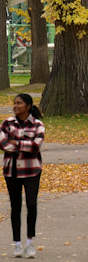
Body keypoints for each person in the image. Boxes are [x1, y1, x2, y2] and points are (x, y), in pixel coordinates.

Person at [0, 94, 45, 258]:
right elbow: (2, 144)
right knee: (15, 206)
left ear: (28, 106)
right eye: (14, 103)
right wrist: (23, 146)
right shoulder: (7, 123)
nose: (15, 106)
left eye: (19, 103)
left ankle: (30, 242)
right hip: (11, 170)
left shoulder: (38, 125)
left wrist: (16, 143)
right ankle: (17, 244)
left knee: (31, 204)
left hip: (32, 169)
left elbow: (36, 146)